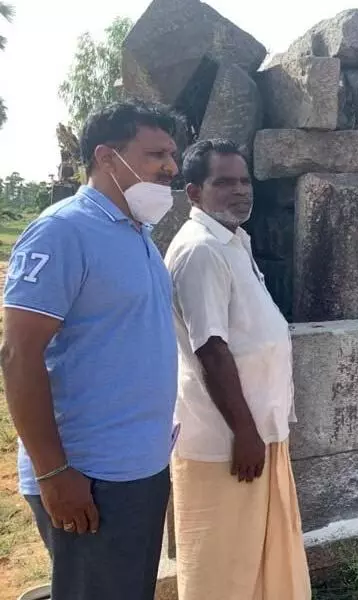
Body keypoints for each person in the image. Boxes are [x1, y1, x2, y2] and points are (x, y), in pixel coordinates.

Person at [1, 100, 182, 600]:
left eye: (172, 154)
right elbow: (18, 355)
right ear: (107, 156)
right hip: (88, 475)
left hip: (139, 465)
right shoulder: (64, 231)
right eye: (156, 154)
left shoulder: (138, 234)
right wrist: (55, 473)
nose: (171, 165)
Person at [164, 139, 311, 600]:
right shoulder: (201, 250)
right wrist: (244, 433)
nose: (240, 191)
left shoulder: (232, 241)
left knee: (259, 560)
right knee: (222, 568)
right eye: (224, 182)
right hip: (224, 440)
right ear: (193, 192)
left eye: (245, 180)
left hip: (257, 432)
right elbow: (210, 349)